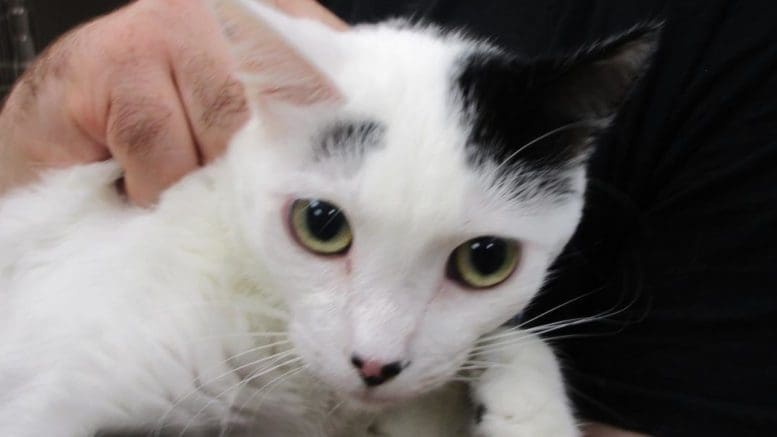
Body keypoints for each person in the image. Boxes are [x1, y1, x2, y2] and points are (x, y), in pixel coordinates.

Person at [1, 0, 775, 435]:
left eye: (480, 261)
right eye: (324, 228)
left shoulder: (732, 53)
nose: (378, 350)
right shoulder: (185, 266)